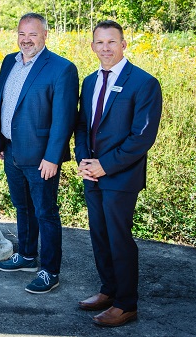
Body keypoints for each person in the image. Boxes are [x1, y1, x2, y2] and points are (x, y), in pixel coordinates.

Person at [74, 20, 162, 327]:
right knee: (98, 235)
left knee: (119, 238)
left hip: (121, 176)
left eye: (112, 42)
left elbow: (142, 137)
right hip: (92, 172)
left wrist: (105, 165)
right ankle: (108, 291)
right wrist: (84, 159)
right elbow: (83, 125)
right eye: (100, 42)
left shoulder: (144, 82)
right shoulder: (89, 81)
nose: (106, 48)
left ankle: (126, 304)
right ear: (93, 46)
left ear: (124, 44)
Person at [0, 12, 78, 293]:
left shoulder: (61, 68)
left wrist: (53, 157)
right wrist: (1, 142)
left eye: (33, 35)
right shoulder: (9, 62)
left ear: (45, 36)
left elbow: (64, 119)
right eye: (22, 34)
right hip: (12, 149)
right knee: (22, 206)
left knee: (46, 213)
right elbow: (5, 103)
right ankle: (27, 256)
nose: (26, 40)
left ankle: (49, 271)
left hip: (42, 157)